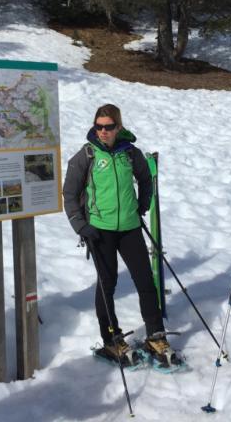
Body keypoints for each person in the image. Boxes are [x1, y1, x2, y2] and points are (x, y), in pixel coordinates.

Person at [62, 104, 180, 368]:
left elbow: (147, 180)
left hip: (129, 228)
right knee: (107, 284)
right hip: (99, 230)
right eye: (99, 126)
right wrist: (81, 226)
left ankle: (155, 334)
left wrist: (141, 206)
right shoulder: (86, 156)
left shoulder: (130, 153)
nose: (103, 131)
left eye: (109, 126)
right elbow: (69, 194)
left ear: (118, 127)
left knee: (144, 281)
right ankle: (111, 338)